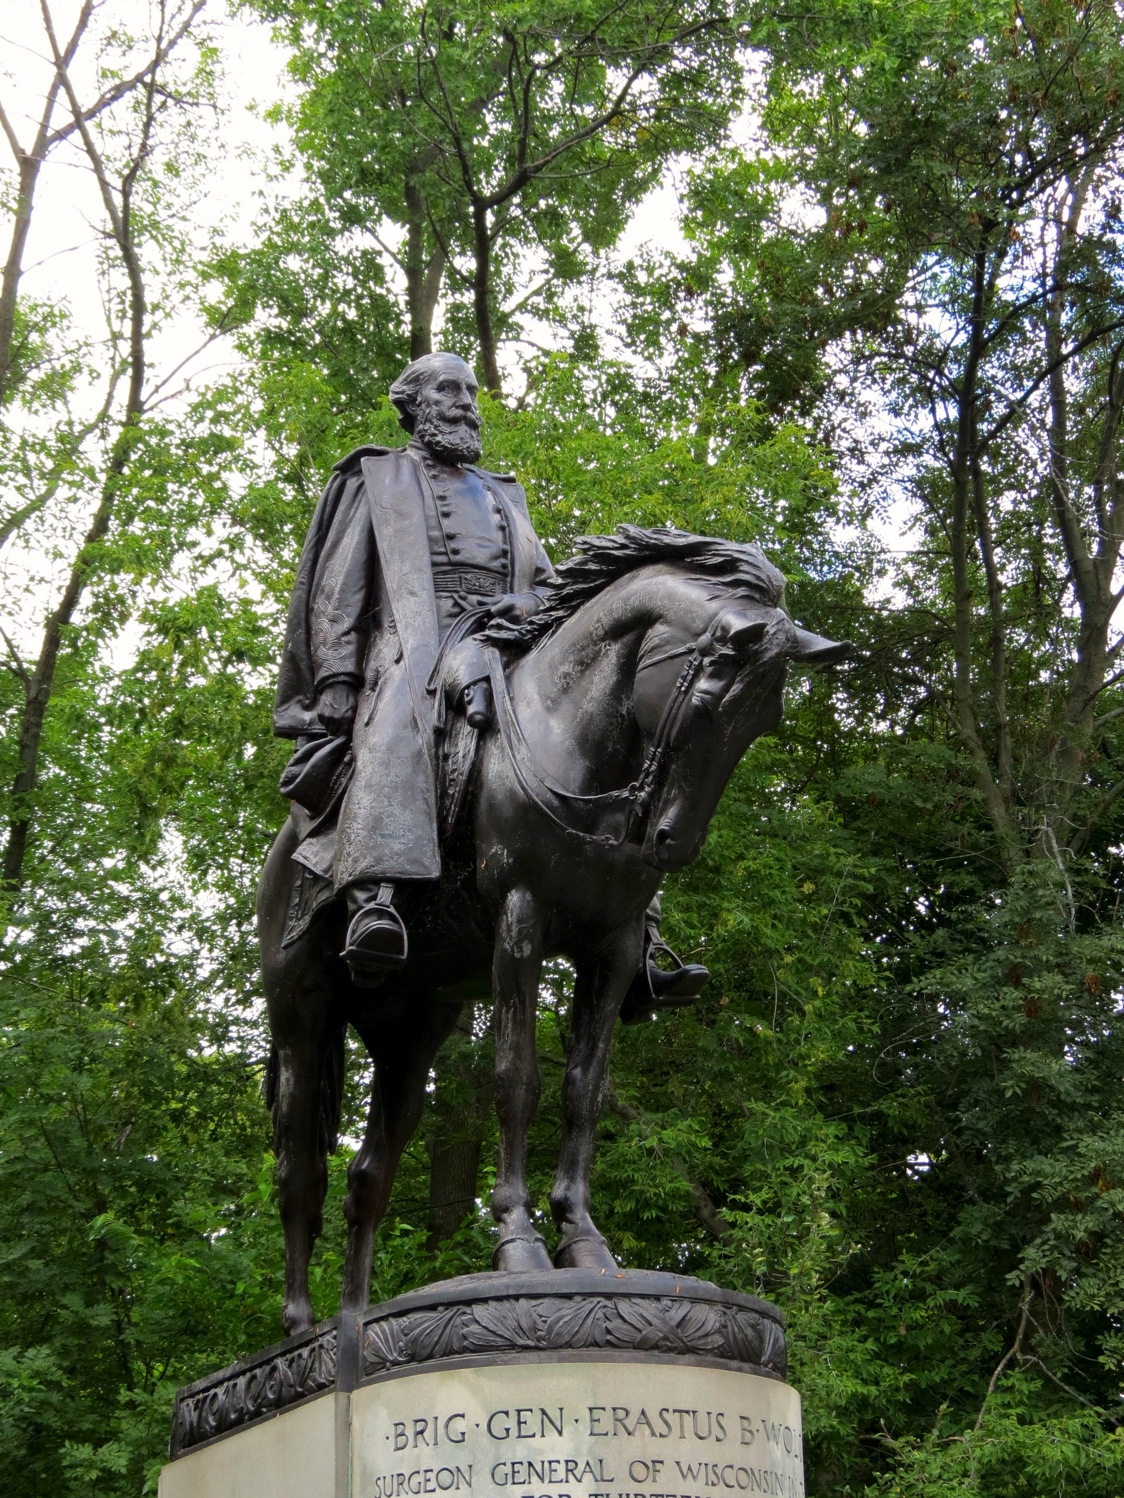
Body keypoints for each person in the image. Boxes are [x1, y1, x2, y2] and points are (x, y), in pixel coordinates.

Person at [273, 351, 707, 1010]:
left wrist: (531, 608)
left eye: (471, 392)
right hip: (412, 644)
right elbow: (339, 591)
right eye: (450, 390)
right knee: (400, 715)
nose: (466, 403)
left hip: (507, 643)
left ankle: (637, 937)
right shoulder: (376, 478)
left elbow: (549, 586)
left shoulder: (505, 493)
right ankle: (376, 900)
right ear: (413, 404)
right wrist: (336, 684)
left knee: (610, 723)